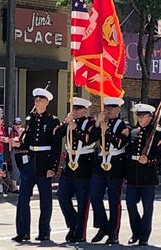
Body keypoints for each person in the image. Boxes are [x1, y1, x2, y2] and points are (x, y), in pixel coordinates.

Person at [11, 88, 60, 243]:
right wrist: (17, 143)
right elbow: (27, 142)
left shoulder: (53, 121)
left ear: (46, 102)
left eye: (40, 100)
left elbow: (56, 146)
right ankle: (23, 231)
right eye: (35, 100)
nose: (37, 102)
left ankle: (44, 231)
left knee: (45, 199)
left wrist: (53, 167)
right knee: (23, 197)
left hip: (45, 163)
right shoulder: (31, 120)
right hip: (31, 161)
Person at [54, 97, 101, 243]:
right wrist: (65, 123)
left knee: (83, 201)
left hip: (85, 164)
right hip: (69, 164)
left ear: (85, 110)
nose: (74, 111)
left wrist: (76, 129)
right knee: (62, 196)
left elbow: (90, 139)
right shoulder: (69, 122)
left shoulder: (91, 123)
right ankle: (73, 224)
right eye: (73, 108)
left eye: (77, 109)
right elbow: (56, 135)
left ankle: (80, 233)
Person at [90, 97, 130, 245]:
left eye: (111, 108)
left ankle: (113, 233)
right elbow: (91, 139)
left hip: (116, 164)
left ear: (118, 109)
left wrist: (107, 131)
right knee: (94, 195)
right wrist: (97, 124)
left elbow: (120, 144)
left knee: (114, 201)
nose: (108, 111)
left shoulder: (123, 126)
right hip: (101, 162)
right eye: (106, 108)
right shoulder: (102, 123)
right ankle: (102, 226)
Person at [125, 103, 161, 247]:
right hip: (133, 175)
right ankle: (135, 232)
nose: (140, 118)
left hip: (147, 176)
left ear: (150, 117)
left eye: (143, 116)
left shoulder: (156, 133)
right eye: (138, 116)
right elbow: (128, 153)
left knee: (147, 208)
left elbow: (159, 156)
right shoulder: (134, 132)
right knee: (130, 204)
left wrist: (149, 160)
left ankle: (144, 236)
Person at [8, 117, 24, 193]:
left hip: (23, 152)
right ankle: (14, 187)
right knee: (16, 168)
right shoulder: (12, 132)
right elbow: (13, 143)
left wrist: (20, 143)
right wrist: (20, 143)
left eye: (19, 124)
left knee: (23, 169)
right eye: (16, 124)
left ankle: (22, 187)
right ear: (13, 125)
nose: (18, 126)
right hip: (15, 152)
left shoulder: (23, 131)